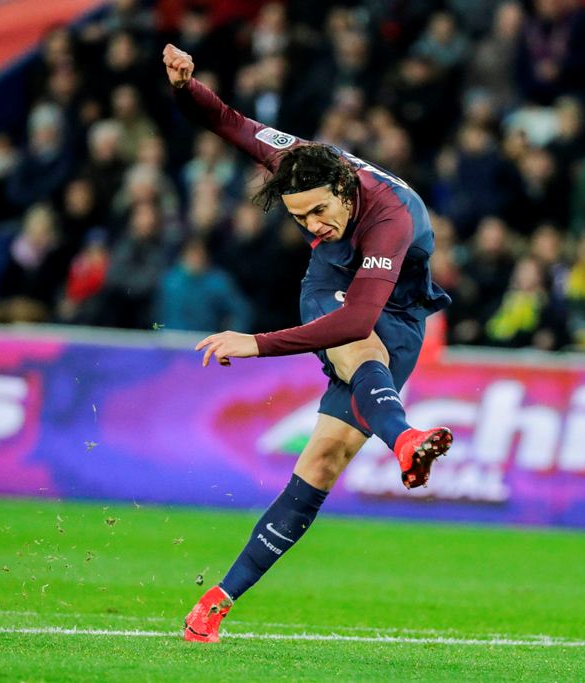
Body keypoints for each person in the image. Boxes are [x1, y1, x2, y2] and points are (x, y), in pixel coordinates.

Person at [161, 44, 454, 643]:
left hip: (394, 309)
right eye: (299, 218)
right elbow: (231, 124)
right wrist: (186, 87)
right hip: (331, 290)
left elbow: (361, 318)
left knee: (322, 460)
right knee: (360, 354)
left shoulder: (391, 218)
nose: (312, 226)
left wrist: (257, 343)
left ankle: (215, 600)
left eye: (320, 212)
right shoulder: (297, 161)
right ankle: (405, 440)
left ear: (346, 189)